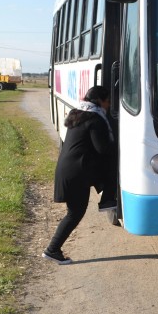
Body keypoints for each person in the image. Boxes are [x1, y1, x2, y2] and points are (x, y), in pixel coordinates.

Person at [42, 86, 116, 265]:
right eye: (108, 101)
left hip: (70, 169)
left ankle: (107, 200)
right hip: (76, 173)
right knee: (75, 213)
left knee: (74, 212)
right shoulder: (95, 119)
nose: (109, 105)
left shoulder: (79, 113)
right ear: (100, 100)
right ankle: (52, 250)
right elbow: (103, 149)